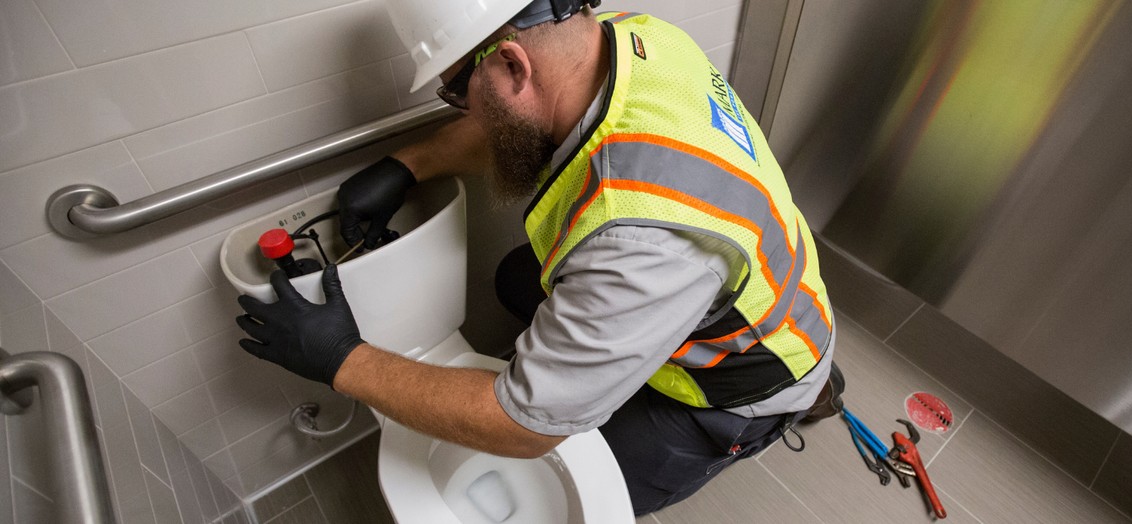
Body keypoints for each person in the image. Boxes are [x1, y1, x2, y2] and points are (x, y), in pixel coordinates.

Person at [235, 0, 843, 515]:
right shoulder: (632, 38)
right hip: (742, 286)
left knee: (595, 491)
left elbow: (523, 427)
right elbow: (512, 120)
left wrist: (343, 361)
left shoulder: (638, 242)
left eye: (456, 91)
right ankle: (619, 370)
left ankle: (791, 406)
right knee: (516, 279)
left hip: (739, 377)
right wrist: (409, 164)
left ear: (511, 64)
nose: (466, 111)